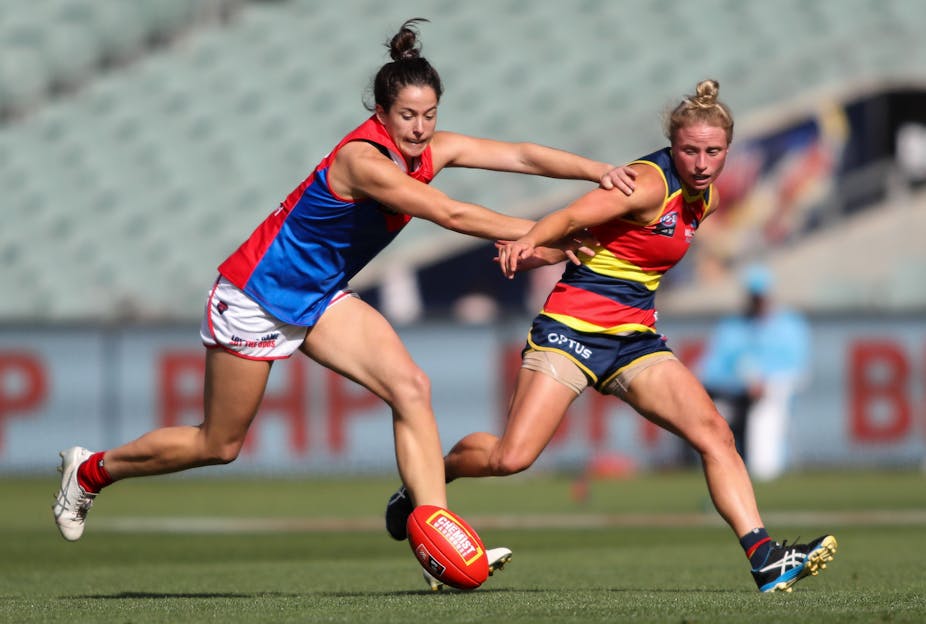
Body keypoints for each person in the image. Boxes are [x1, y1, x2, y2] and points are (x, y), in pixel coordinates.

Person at [52, 18, 637, 582]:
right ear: (379, 114)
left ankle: (437, 535)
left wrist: (600, 171)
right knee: (219, 444)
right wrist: (543, 235)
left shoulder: (432, 147)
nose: (419, 128)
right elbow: (451, 213)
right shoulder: (363, 161)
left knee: (410, 388)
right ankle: (90, 471)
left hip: (321, 296)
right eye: (407, 116)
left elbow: (523, 156)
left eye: (429, 115)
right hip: (257, 296)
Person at [386, 80, 836, 593]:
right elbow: (575, 215)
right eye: (690, 150)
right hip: (571, 330)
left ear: (728, 149)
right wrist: (529, 240)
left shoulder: (704, 197)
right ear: (673, 146)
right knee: (511, 458)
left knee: (714, 434)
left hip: (634, 340)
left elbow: (625, 251)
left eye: (714, 151)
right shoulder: (648, 183)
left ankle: (765, 558)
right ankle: (428, 481)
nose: (702, 162)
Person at [699, 264, 811, 481]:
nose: (759, 301)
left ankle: (763, 474)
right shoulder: (732, 326)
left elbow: (797, 369)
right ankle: (723, 473)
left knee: (766, 407)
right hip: (736, 393)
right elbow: (709, 371)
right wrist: (743, 384)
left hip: (775, 389)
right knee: (709, 412)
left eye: (762, 296)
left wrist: (763, 383)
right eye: (755, 296)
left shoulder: (790, 325)